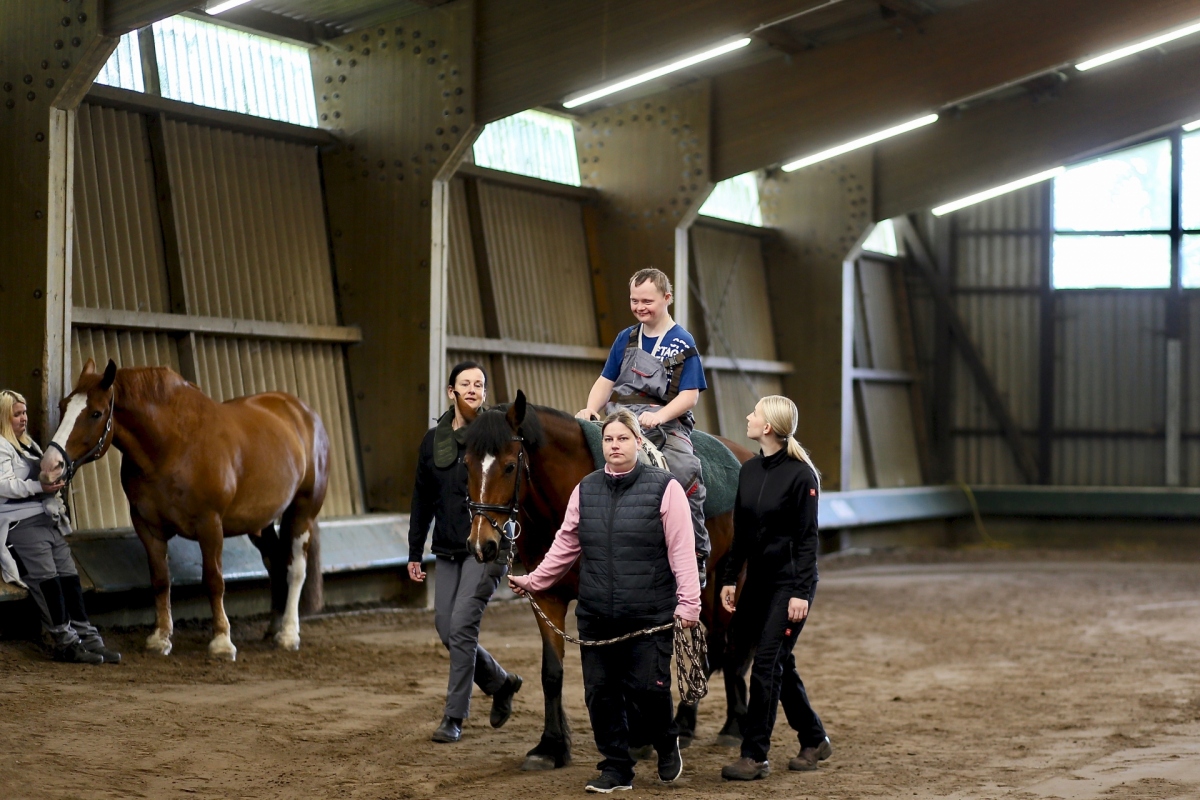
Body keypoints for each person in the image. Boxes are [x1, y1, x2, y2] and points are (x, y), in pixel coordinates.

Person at [509, 409, 701, 794]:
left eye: (623, 439)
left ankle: (666, 742)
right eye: (609, 440)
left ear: (638, 443)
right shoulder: (585, 489)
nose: (615, 446)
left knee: (649, 689)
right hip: (597, 613)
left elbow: (683, 552)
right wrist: (534, 581)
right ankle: (616, 768)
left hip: (649, 614)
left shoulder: (666, 489)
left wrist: (689, 604)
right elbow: (565, 545)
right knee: (600, 694)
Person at [408, 362, 522, 743]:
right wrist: (413, 550)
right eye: (465, 383)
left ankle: (453, 716)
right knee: (446, 627)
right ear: (450, 391)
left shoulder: (495, 437)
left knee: (461, 628)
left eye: (479, 384)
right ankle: (500, 682)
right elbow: (421, 501)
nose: (472, 389)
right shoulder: (432, 441)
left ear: (485, 393)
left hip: (486, 550)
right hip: (447, 547)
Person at [719, 395, 831, 781]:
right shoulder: (749, 472)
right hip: (759, 582)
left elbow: (807, 540)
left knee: (766, 666)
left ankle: (754, 756)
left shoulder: (802, 475)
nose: (748, 417)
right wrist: (731, 578)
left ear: (767, 427)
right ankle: (814, 738)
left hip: (790, 583)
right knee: (775, 661)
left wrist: (801, 592)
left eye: (754, 414)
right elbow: (742, 534)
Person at [575, 268, 710, 584]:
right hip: (619, 419)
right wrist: (590, 408)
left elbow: (689, 396)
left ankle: (696, 554)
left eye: (646, 301)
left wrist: (659, 417)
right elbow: (606, 380)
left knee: (685, 470)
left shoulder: (681, 341)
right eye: (634, 301)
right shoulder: (626, 337)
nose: (639, 307)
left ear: (667, 298)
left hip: (664, 423)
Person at [0, 389, 120, 664]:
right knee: (48, 581)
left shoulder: (29, 445)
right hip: (19, 522)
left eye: (24, 412)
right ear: (4, 417)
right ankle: (65, 642)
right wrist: (38, 486)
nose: (23, 418)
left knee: (69, 577)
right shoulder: (0, 445)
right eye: (16, 414)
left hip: (45, 519)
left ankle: (88, 637)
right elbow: (2, 484)